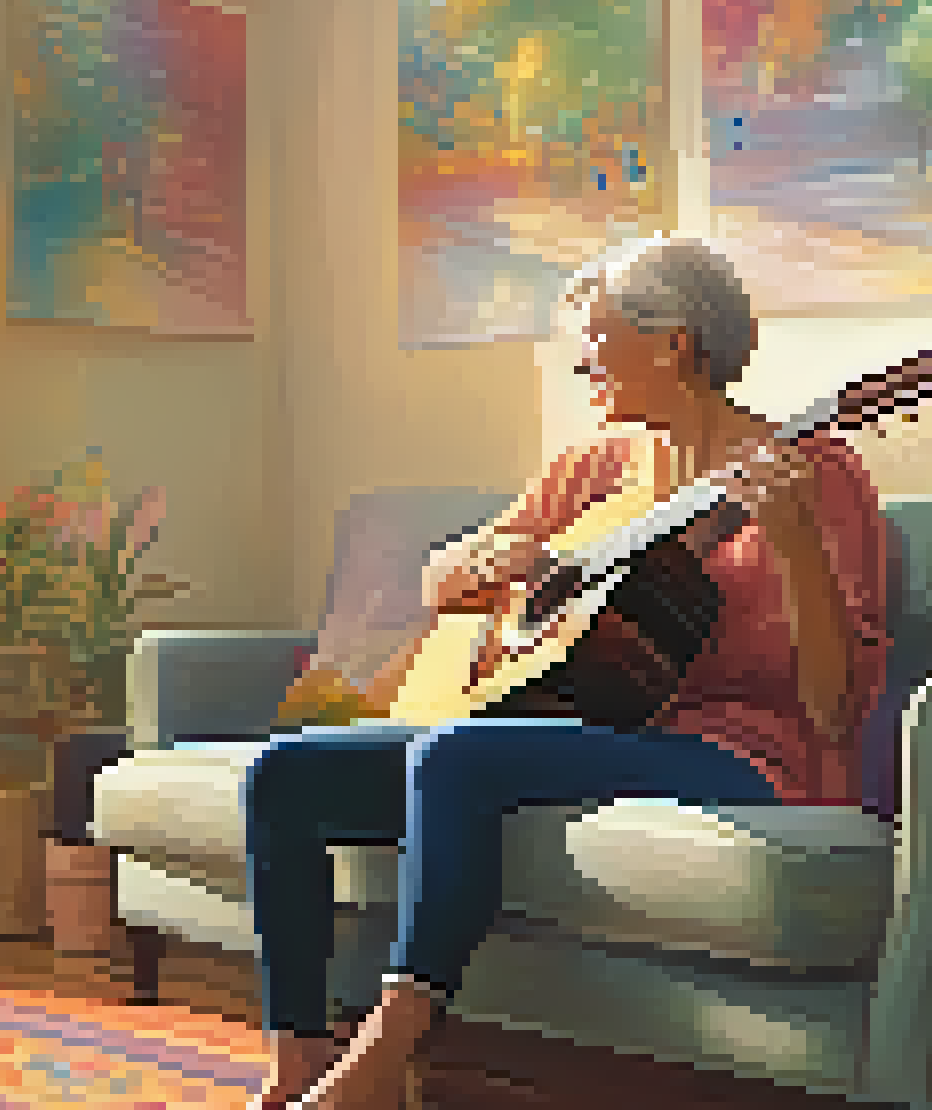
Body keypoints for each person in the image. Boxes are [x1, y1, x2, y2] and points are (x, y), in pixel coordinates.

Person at [240, 235, 891, 1110]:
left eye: (597, 333)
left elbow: (836, 710)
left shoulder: (821, 479)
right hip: (585, 729)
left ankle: (381, 1062)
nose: (581, 357)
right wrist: (495, 558)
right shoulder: (599, 470)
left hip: (741, 757)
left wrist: (798, 542)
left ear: (673, 343)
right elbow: (439, 580)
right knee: (284, 774)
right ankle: (297, 1061)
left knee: (457, 757)